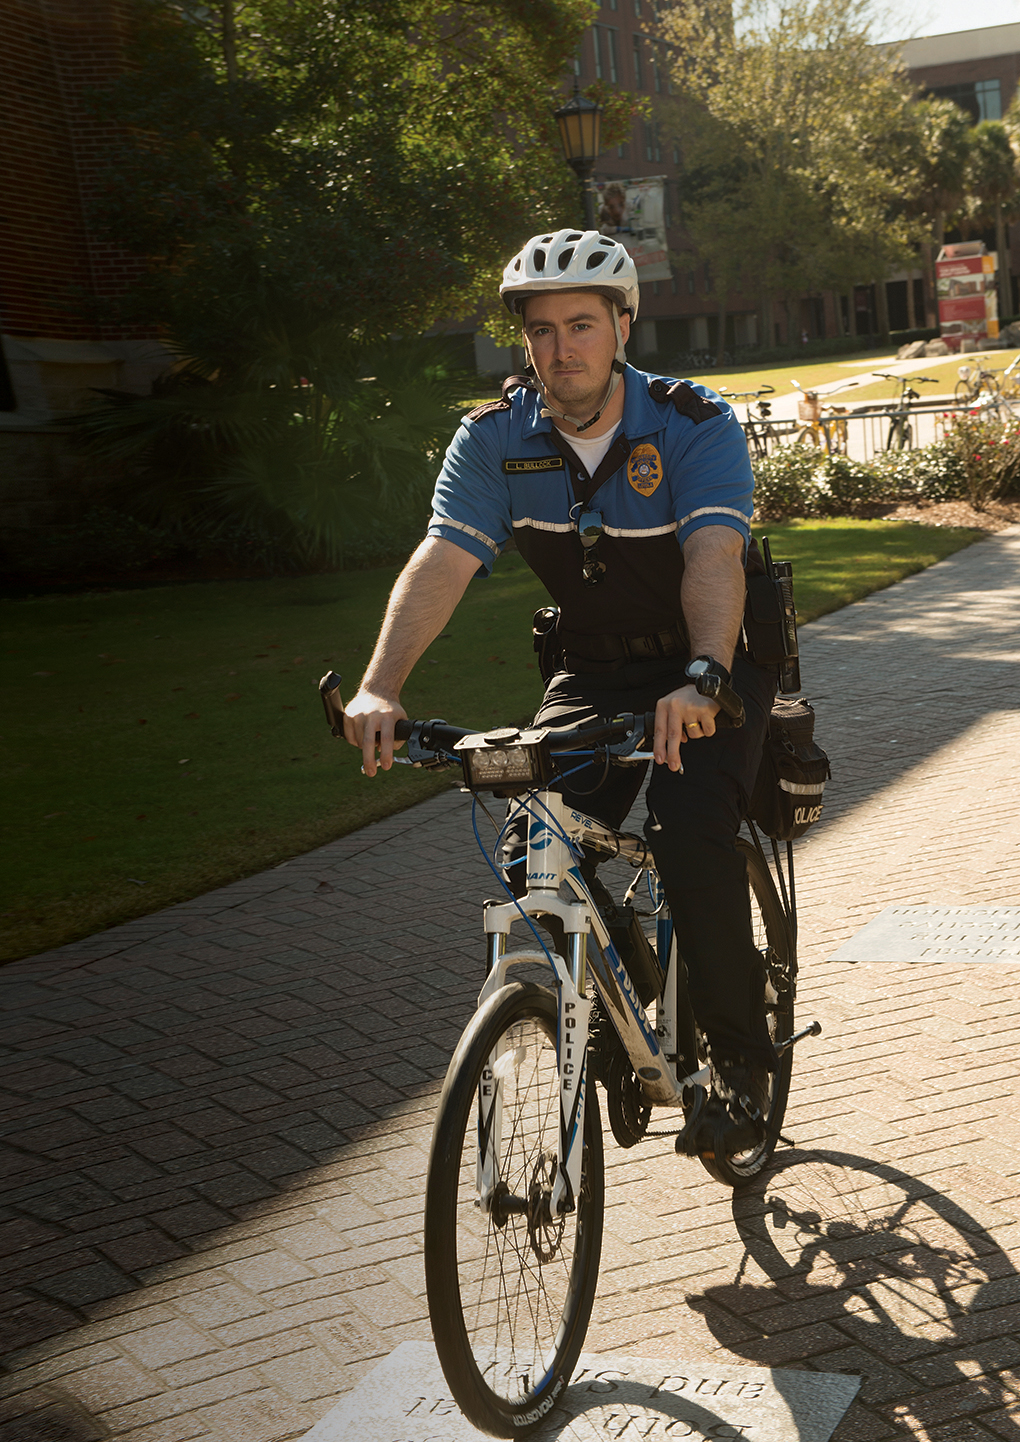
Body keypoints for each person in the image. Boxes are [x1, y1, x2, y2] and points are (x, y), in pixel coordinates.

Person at [343, 227, 777, 1157]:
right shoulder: (496, 437)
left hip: (708, 664)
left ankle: (742, 1065)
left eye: (581, 324)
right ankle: (619, 990)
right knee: (531, 848)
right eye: (541, 329)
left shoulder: (691, 422)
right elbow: (443, 559)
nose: (560, 347)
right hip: (595, 668)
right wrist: (380, 688)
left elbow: (713, 554)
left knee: (689, 836)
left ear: (622, 326)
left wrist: (704, 676)